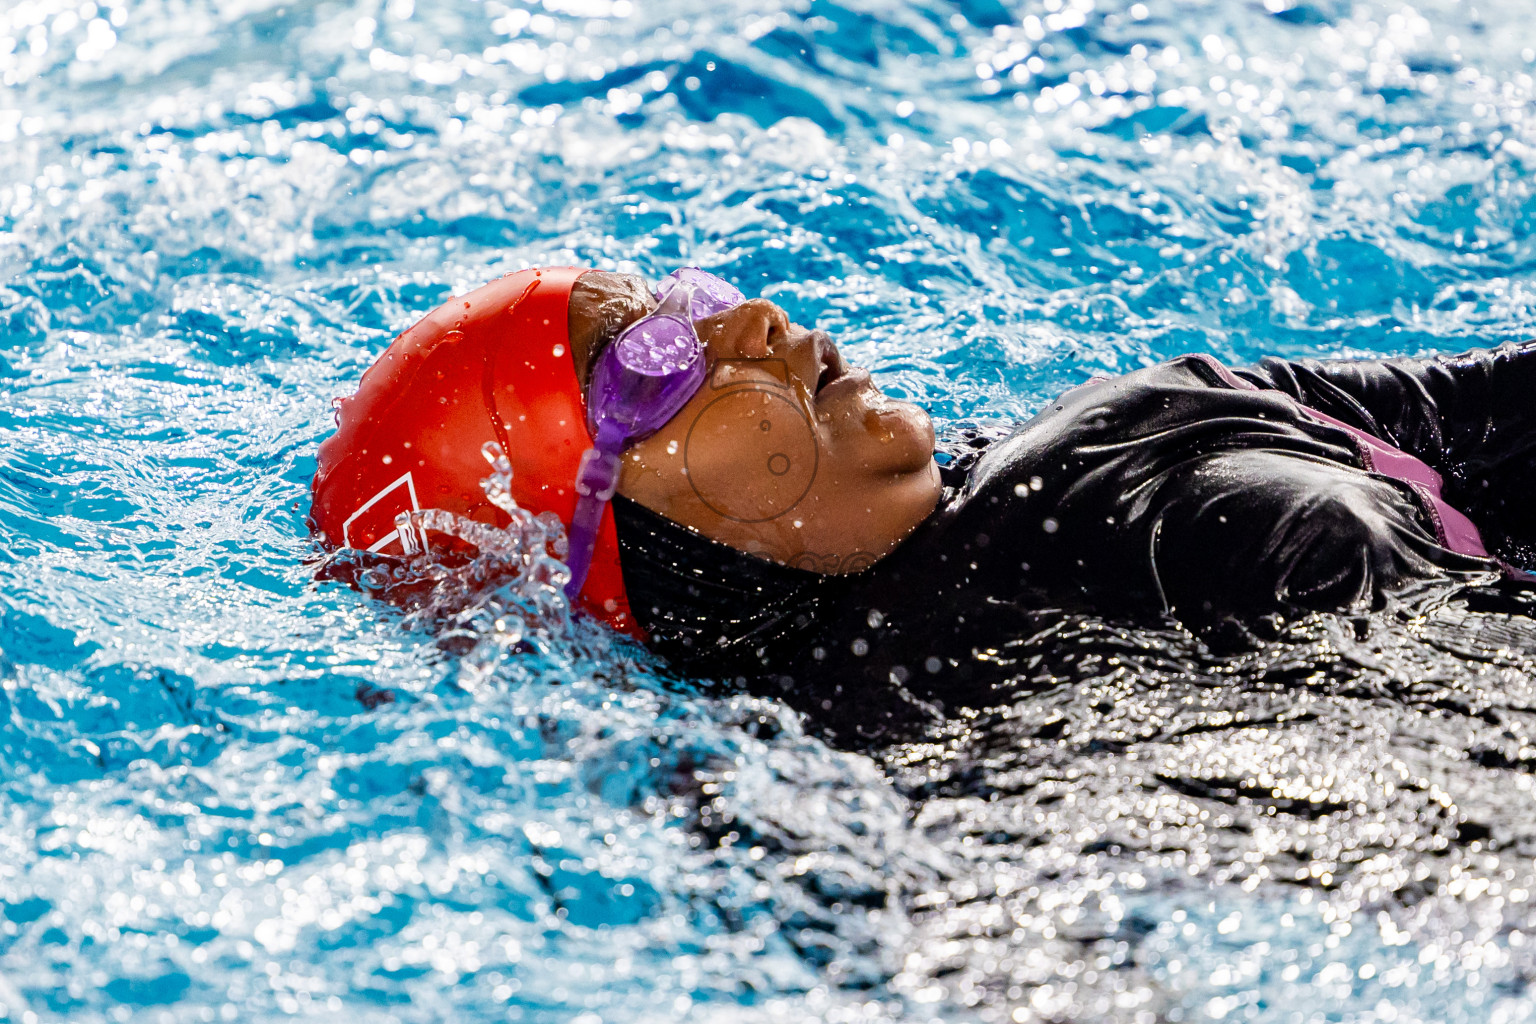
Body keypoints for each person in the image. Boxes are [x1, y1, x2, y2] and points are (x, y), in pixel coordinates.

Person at [310, 266, 1536, 740]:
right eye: (650, 368)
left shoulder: (1151, 410)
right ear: (609, 540)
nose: (749, 321)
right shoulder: (884, 731)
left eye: (678, 303)